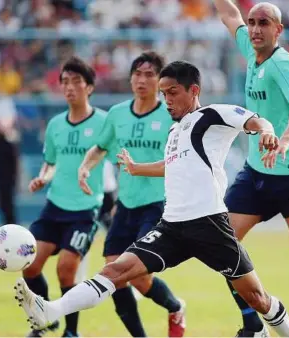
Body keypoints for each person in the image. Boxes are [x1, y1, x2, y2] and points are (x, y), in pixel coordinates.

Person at [14, 61, 289, 338]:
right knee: (116, 270)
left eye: (172, 92)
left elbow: (254, 120)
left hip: (209, 223)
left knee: (258, 299)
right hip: (171, 226)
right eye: (163, 93)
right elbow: (172, 164)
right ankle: (51, 310)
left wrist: (267, 131)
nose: (167, 100)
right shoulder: (175, 130)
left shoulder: (212, 115)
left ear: (194, 91)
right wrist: (138, 169)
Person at [213, 1, 289, 336]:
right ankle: (252, 325)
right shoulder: (249, 46)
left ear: (279, 30)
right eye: (252, 22)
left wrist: (287, 139)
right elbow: (228, 14)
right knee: (223, 243)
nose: (256, 28)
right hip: (256, 172)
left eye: (265, 22)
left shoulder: (283, 62)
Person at [80, 51, 185, 338]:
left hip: (157, 205)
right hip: (125, 206)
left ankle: (175, 307)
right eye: (137, 74)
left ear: (161, 80)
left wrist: (142, 169)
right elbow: (100, 147)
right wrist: (85, 167)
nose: (142, 80)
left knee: (135, 273)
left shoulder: (171, 116)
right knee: (114, 273)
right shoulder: (116, 114)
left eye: (150, 74)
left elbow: (178, 163)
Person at [22, 56, 108, 338]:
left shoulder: (105, 122)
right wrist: (42, 178)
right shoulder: (55, 124)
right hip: (54, 206)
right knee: (29, 264)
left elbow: (118, 156)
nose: (69, 87)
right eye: (65, 82)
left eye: (76, 82)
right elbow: (50, 161)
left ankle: (71, 332)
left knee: (66, 270)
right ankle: (46, 319)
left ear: (90, 87)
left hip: (85, 208)